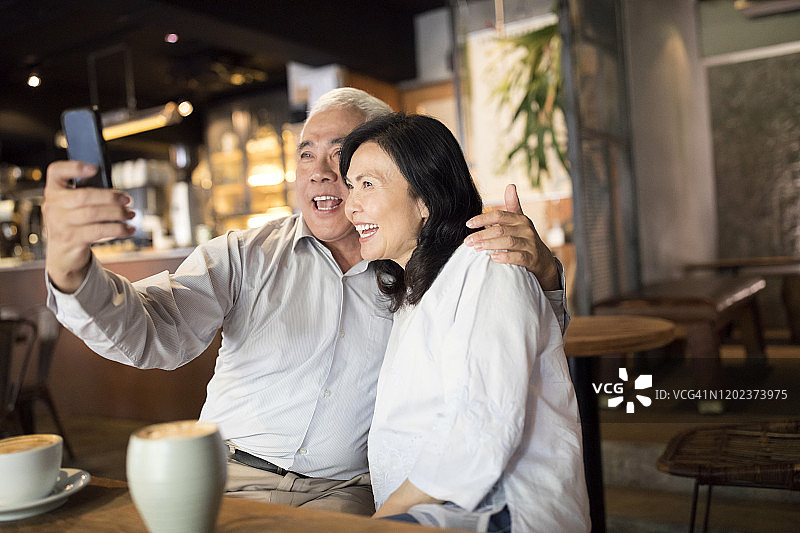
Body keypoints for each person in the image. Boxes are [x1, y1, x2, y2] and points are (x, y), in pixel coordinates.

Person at [42, 88, 569, 515]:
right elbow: (151, 328)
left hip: (341, 496)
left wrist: (542, 275)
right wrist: (72, 271)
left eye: (346, 161)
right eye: (305, 153)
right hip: (223, 475)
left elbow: (514, 368)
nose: (320, 170)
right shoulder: (245, 255)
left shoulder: (420, 270)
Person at [341, 112, 589, 532]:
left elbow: (480, 424)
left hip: (496, 513)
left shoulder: (490, 265)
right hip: (433, 511)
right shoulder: (414, 291)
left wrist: (377, 522)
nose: (351, 205)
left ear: (426, 199)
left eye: (368, 184)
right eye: (351, 185)